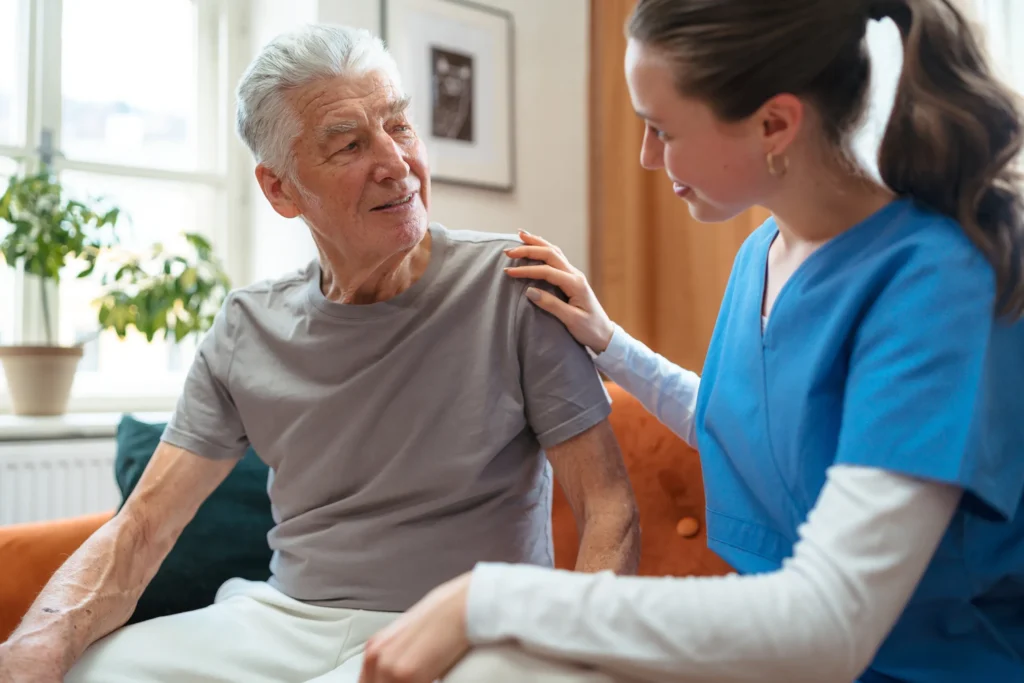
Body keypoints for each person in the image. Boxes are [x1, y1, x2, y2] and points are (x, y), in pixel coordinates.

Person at [358, 0, 1024, 681]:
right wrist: (610, 343)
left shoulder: (937, 283)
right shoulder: (765, 252)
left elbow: (831, 623)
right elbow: (755, 431)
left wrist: (492, 594)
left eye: (662, 129)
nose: (648, 157)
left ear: (774, 123)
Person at [0, 24, 641, 683]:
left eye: (400, 126)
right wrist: (37, 645)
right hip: (287, 619)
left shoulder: (515, 284)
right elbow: (142, 530)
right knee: (92, 672)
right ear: (280, 189)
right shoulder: (248, 324)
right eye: (350, 144)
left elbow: (608, 506)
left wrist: (570, 654)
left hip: (466, 627)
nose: (396, 160)